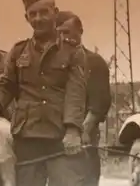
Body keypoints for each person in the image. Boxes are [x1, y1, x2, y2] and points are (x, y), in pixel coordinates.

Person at [0, 0, 88, 186]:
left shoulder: (73, 51)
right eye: (33, 14)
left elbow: (76, 93)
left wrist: (73, 131)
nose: (38, 18)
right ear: (26, 17)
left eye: (44, 12)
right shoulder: (17, 51)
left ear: (55, 13)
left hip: (61, 137)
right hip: (27, 136)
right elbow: (6, 86)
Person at [56, 10, 112, 186]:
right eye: (59, 33)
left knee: (83, 178)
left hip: (83, 134)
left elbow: (99, 104)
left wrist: (83, 131)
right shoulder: (53, 63)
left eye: (67, 32)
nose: (63, 37)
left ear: (80, 32)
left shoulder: (94, 61)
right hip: (57, 134)